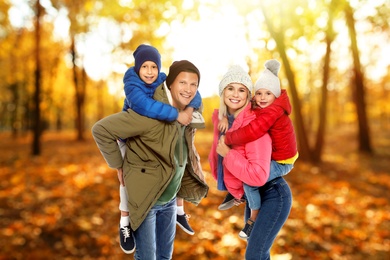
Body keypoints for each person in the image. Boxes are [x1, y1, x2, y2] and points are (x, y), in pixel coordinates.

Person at [92, 60, 209, 259]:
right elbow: (101, 130)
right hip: (148, 201)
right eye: (182, 83)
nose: (188, 89)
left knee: (165, 257)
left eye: (193, 84)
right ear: (170, 83)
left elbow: (196, 101)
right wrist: (119, 165)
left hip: (170, 200)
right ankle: (125, 224)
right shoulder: (149, 114)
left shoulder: (188, 112)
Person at [117, 45, 204, 253]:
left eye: (154, 67)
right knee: (124, 178)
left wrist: (190, 108)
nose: (149, 71)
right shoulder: (131, 85)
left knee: (179, 161)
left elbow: (195, 94)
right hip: (127, 139)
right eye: (145, 67)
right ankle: (124, 222)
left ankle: (180, 210)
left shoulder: (163, 80)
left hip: (155, 138)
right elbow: (144, 107)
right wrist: (176, 115)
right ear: (137, 68)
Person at [209, 65, 292, 259]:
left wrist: (228, 155)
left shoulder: (254, 126)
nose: (235, 94)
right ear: (223, 92)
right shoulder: (227, 123)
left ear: (248, 96)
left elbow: (258, 175)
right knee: (257, 254)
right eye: (230, 88)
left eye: (241, 90)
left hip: (273, 194)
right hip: (253, 194)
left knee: (255, 254)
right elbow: (217, 162)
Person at [223, 60, 298, 239]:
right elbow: (247, 115)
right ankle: (237, 193)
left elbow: (253, 130)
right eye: (259, 93)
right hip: (279, 155)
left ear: (276, 95)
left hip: (282, 162)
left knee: (252, 180)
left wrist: (229, 138)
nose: (263, 97)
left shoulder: (273, 112)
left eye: (268, 93)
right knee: (247, 167)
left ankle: (253, 219)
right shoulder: (266, 108)